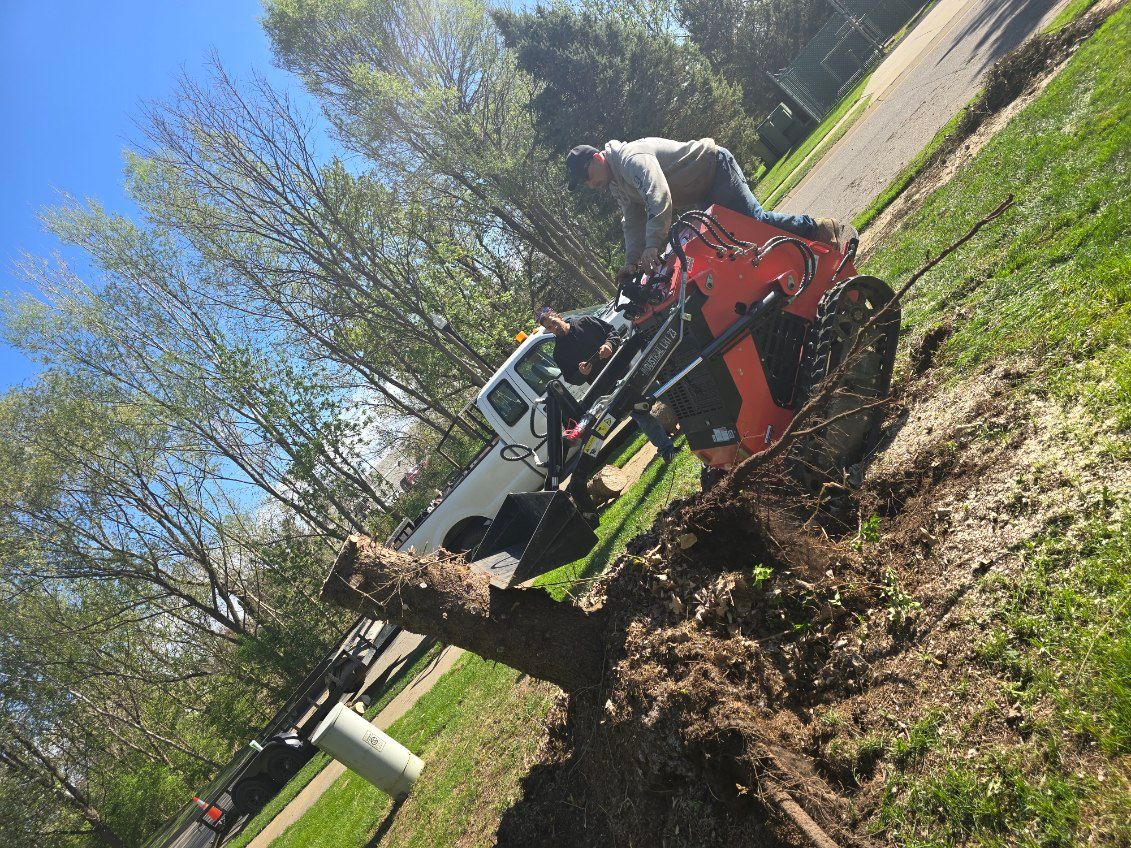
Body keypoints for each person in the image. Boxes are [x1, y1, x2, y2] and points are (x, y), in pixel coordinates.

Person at [565, 137, 858, 280]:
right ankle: (801, 270)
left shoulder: (630, 158)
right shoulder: (616, 183)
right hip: (701, 190)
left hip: (714, 168)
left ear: (596, 159)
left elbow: (658, 196)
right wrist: (632, 262)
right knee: (729, 245)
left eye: (586, 177)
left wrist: (653, 245)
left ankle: (819, 229)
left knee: (753, 223)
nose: (589, 185)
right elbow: (632, 220)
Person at [536, 307, 677, 463]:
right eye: (549, 327)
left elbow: (613, 333)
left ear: (559, 316)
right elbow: (571, 379)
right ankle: (667, 449)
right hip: (609, 388)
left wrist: (609, 345)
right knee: (640, 415)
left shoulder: (586, 321)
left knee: (662, 391)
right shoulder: (559, 353)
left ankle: (689, 417)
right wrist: (581, 374)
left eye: (554, 322)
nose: (554, 328)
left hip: (627, 369)